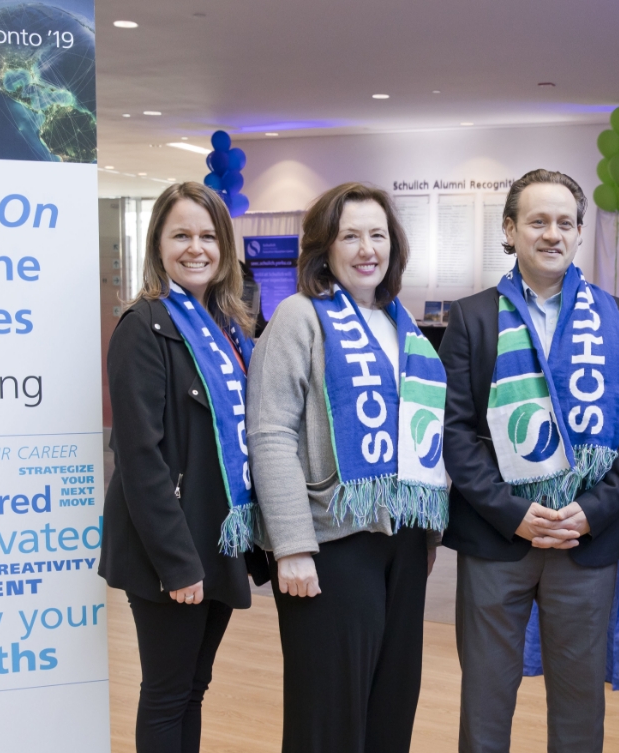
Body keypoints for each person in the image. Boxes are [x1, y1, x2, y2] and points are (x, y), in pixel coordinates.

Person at [440, 169, 619, 752]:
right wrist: (511, 511)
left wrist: (592, 510)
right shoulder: (470, 318)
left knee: (580, 703)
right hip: (497, 537)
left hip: (585, 542)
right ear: (510, 230)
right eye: (537, 221)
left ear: (579, 233)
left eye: (565, 222)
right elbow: (456, 432)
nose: (552, 234)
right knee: (485, 701)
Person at [246, 182, 448, 753]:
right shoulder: (299, 317)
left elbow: (423, 431)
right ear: (324, 247)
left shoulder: (399, 321)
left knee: (391, 708)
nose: (367, 249)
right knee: (328, 721)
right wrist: (291, 546)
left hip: (402, 542)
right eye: (350, 235)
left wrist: (427, 531)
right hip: (330, 545)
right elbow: (269, 433)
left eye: (377, 235)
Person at [98, 182, 257, 752]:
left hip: (216, 535)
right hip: (170, 547)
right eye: (181, 235)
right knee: (167, 694)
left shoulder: (229, 327)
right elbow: (140, 458)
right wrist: (176, 563)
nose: (197, 248)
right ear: (158, 244)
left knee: (193, 688)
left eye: (209, 236)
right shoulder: (142, 326)